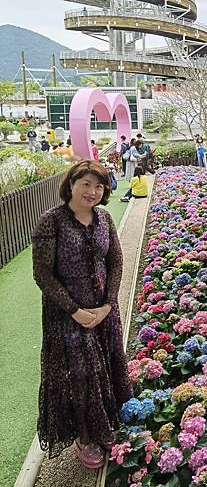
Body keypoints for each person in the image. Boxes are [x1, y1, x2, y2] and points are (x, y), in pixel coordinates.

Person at [31, 160, 132, 468]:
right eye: (86, 184)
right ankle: (84, 436)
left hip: (103, 310)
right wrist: (75, 311)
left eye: (99, 186)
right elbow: (43, 275)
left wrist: (107, 304)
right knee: (80, 375)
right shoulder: (52, 221)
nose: (92, 191)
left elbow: (115, 262)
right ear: (71, 184)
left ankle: (105, 426)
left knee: (107, 364)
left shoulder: (104, 219)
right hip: (66, 315)